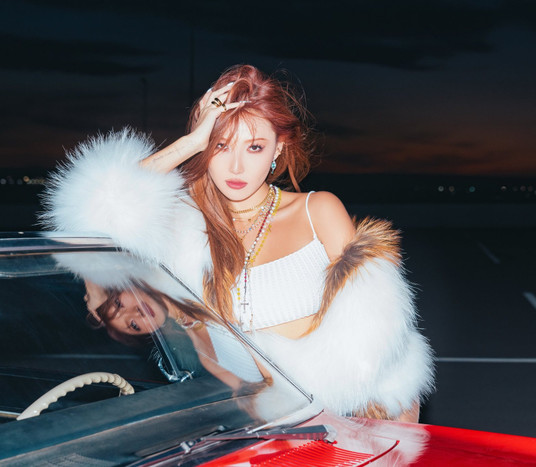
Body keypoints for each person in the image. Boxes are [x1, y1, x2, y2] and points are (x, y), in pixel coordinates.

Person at [42, 64, 434, 422]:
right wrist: (192, 141)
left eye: (254, 147)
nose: (236, 167)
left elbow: (383, 345)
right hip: (270, 428)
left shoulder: (318, 212)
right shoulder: (184, 226)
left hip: (356, 416)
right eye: (221, 145)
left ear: (278, 147)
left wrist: (393, 439)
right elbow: (95, 214)